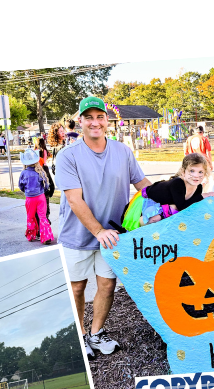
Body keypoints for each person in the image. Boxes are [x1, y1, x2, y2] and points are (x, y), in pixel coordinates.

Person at [54, 95, 151, 359]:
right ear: (81, 121)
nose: (95, 122)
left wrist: (180, 193)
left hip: (113, 235)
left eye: (100, 117)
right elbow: (74, 198)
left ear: (107, 121)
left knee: (107, 285)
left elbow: (143, 186)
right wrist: (97, 231)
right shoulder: (67, 156)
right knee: (76, 288)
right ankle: (80, 336)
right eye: (89, 118)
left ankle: (96, 333)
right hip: (78, 236)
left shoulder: (122, 151)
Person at [124, 153, 214, 228]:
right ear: (183, 172)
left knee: (173, 208)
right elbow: (182, 207)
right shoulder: (178, 183)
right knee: (157, 218)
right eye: (192, 171)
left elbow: (191, 206)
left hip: (162, 206)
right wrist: (203, 196)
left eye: (200, 172)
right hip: (144, 203)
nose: (196, 175)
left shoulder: (198, 187)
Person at [19, 148, 55, 244]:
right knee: (43, 217)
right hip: (41, 197)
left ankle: (31, 235)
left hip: (30, 198)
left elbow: (21, 186)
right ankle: (46, 237)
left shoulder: (24, 173)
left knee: (30, 216)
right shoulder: (40, 172)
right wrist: (42, 191)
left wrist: (26, 191)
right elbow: (46, 185)